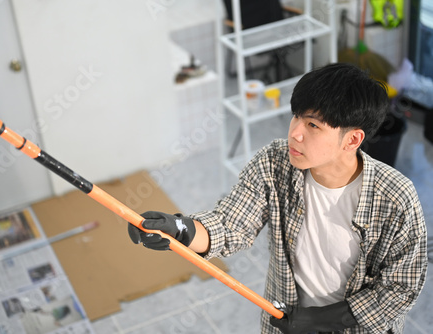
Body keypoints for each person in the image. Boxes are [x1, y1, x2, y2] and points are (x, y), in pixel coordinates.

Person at [128, 63, 428, 333]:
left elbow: (401, 288)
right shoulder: (275, 162)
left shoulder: (396, 198)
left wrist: (323, 320)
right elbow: (231, 224)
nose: (295, 133)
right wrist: (180, 228)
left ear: (352, 140)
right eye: (296, 116)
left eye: (313, 125)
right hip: (285, 324)